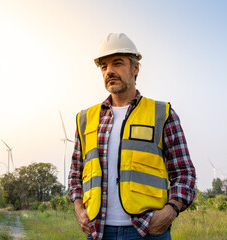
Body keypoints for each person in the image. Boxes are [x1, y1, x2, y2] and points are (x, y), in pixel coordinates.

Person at [67, 33, 196, 240]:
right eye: (104, 66)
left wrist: (170, 211)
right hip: (98, 231)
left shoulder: (162, 114)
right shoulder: (85, 119)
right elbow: (75, 174)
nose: (109, 71)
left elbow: (184, 173)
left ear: (135, 69)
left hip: (149, 230)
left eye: (117, 63)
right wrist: (78, 208)